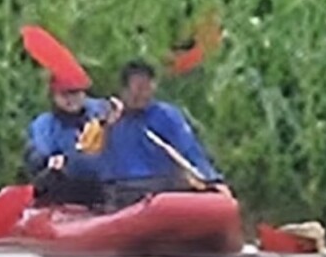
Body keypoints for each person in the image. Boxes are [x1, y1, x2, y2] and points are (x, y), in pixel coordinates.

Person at [101, 59, 226, 207]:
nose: (143, 95)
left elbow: (189, 149)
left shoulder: (166, 115)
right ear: (124, 90)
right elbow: (89, 156)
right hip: (122, 189)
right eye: (138, 89)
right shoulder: (107, 117)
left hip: (161, 187)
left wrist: (212, 179)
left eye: (147, 88)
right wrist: (105, 127)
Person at [23, 64, 122, 207]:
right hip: (67, 186)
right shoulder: (45, 124)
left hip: (104, 183)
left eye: (75, 93)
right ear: (54, 96)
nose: (71, 99)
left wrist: (120, 119)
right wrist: (49, 160)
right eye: (64, 94)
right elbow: (37, 155)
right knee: (51, 176)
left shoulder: (101, 110)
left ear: (84, 93)